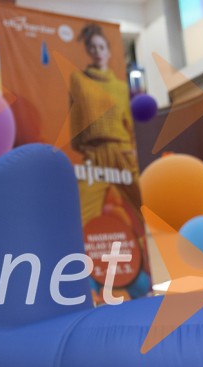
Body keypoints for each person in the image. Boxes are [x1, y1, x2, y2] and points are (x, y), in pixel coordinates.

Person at [69, 23, 142, 224]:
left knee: (145, 207)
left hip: (121, 150)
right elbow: (75, 114)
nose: (97, 52)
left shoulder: (121, 87)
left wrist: (134, 149)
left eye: (101, 47)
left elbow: (129, 122)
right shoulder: (79, 80)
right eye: (92, 47)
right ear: (87, 50)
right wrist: (80, 145)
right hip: (94, 153)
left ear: (109, 51)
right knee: (82, 216)